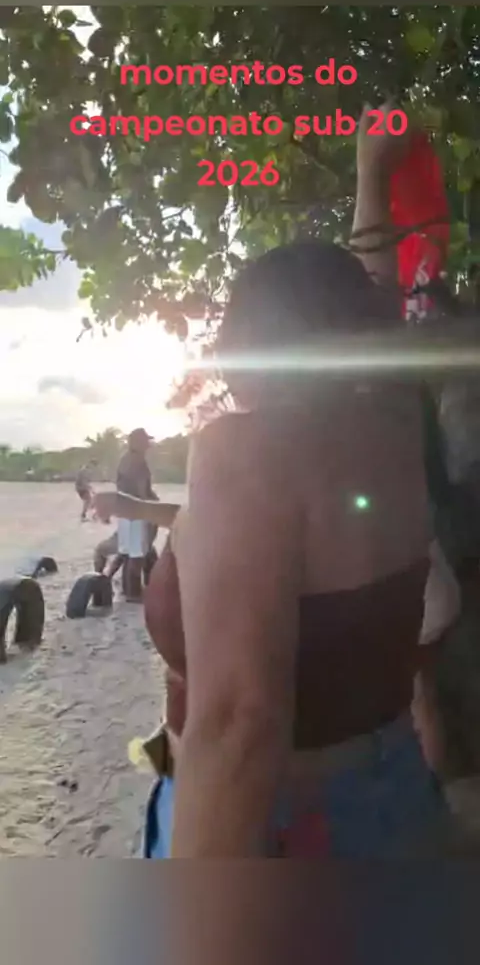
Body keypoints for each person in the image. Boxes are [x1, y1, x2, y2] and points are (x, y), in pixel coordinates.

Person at [139, 104, 462, 859]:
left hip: (287, 827)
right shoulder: (396, 426)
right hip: (399, 800)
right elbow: (373, 289)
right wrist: (371, 172)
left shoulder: (244, 453)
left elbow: (240, 723)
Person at [115, 428, 155, 602]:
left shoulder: (125, 459)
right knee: (136, 554)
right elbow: (141, 488)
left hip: (124, 510)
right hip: (136, 510)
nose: (148, 444)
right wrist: (149, 507)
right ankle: (134, 593)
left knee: (128, 552)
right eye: (145, 441)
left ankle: (128, 590)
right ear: (138, 442)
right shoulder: (138, 461)